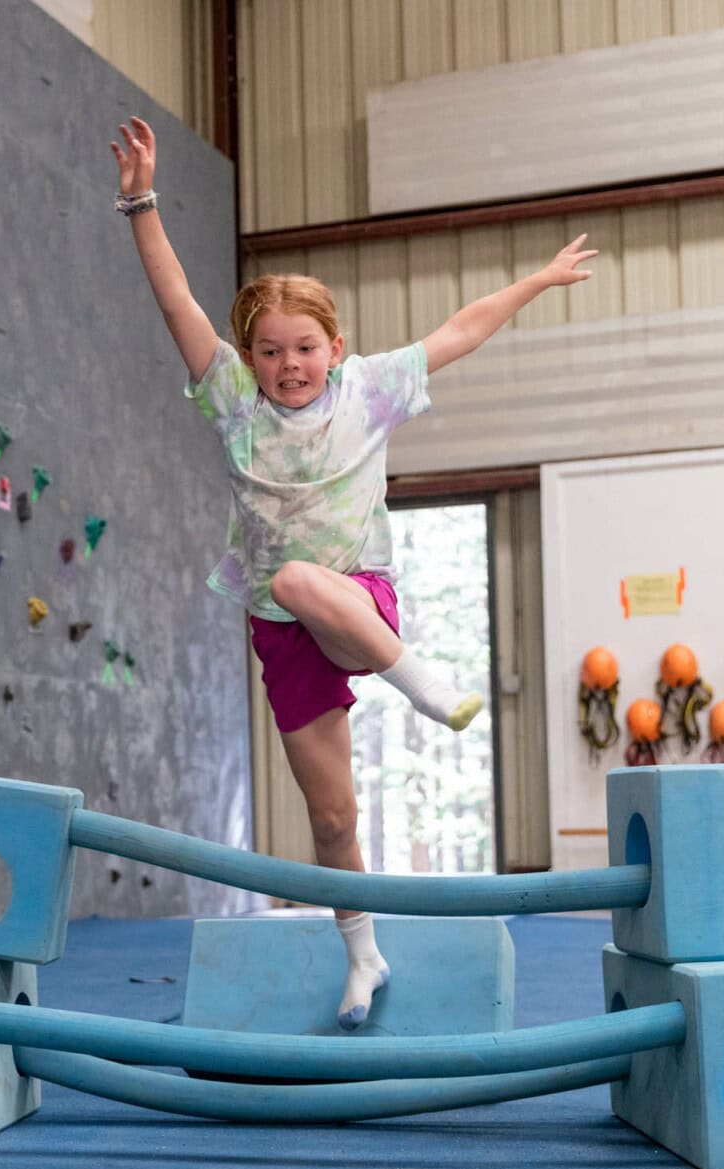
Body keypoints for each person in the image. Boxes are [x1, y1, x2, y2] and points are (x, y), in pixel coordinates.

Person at [113, 116, 595, 1029]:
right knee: (331, 819)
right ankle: (362, 952)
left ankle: (414, 677)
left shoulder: (370, 390)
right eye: (269, 350)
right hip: (282, 630)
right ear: (248, 357)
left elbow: (459, 330)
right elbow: (175, 299)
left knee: (299, 577)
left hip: (355, 596)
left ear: (335, 347)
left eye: (304, 348)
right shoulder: (230, 401)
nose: (288, 365)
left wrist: (533, 281)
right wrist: (141, 202)